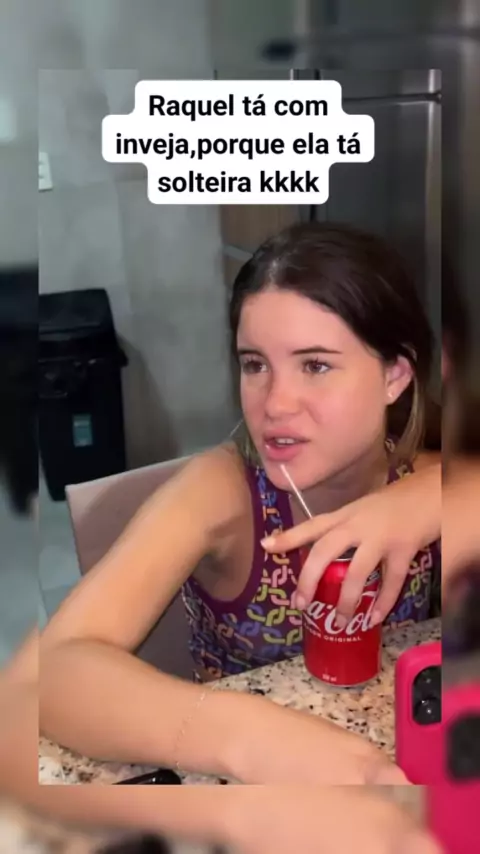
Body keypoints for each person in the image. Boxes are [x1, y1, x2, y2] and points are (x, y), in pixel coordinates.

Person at [34, 222, 442, 783]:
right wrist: (246, 738)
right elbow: (56, 671)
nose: (274, 403)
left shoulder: (427, 478)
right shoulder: (221, 492)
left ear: (394, 375)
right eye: (255, 364)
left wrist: (441, 495)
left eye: (315, 365)